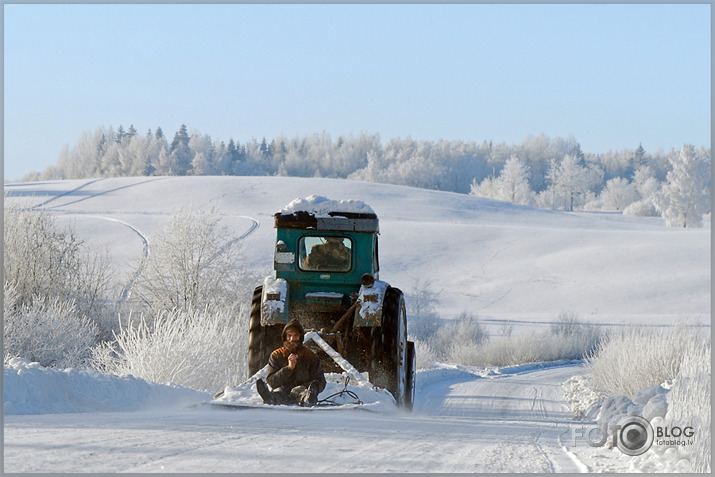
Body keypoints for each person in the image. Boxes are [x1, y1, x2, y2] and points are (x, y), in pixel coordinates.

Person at [255, 319, 326, 407]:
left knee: (304, 396)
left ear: (300, 337)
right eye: (289, 335)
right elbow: (271, 381)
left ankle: (309, 399)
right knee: (278, 394)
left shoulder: (311, 356)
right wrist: (288, 368)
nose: (292, 339)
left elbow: (321, 381)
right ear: (285, 337)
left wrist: (305, 386)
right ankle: (269, 398)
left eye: (295, 335)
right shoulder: (276, 355)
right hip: (282, 390)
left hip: (302, 391)